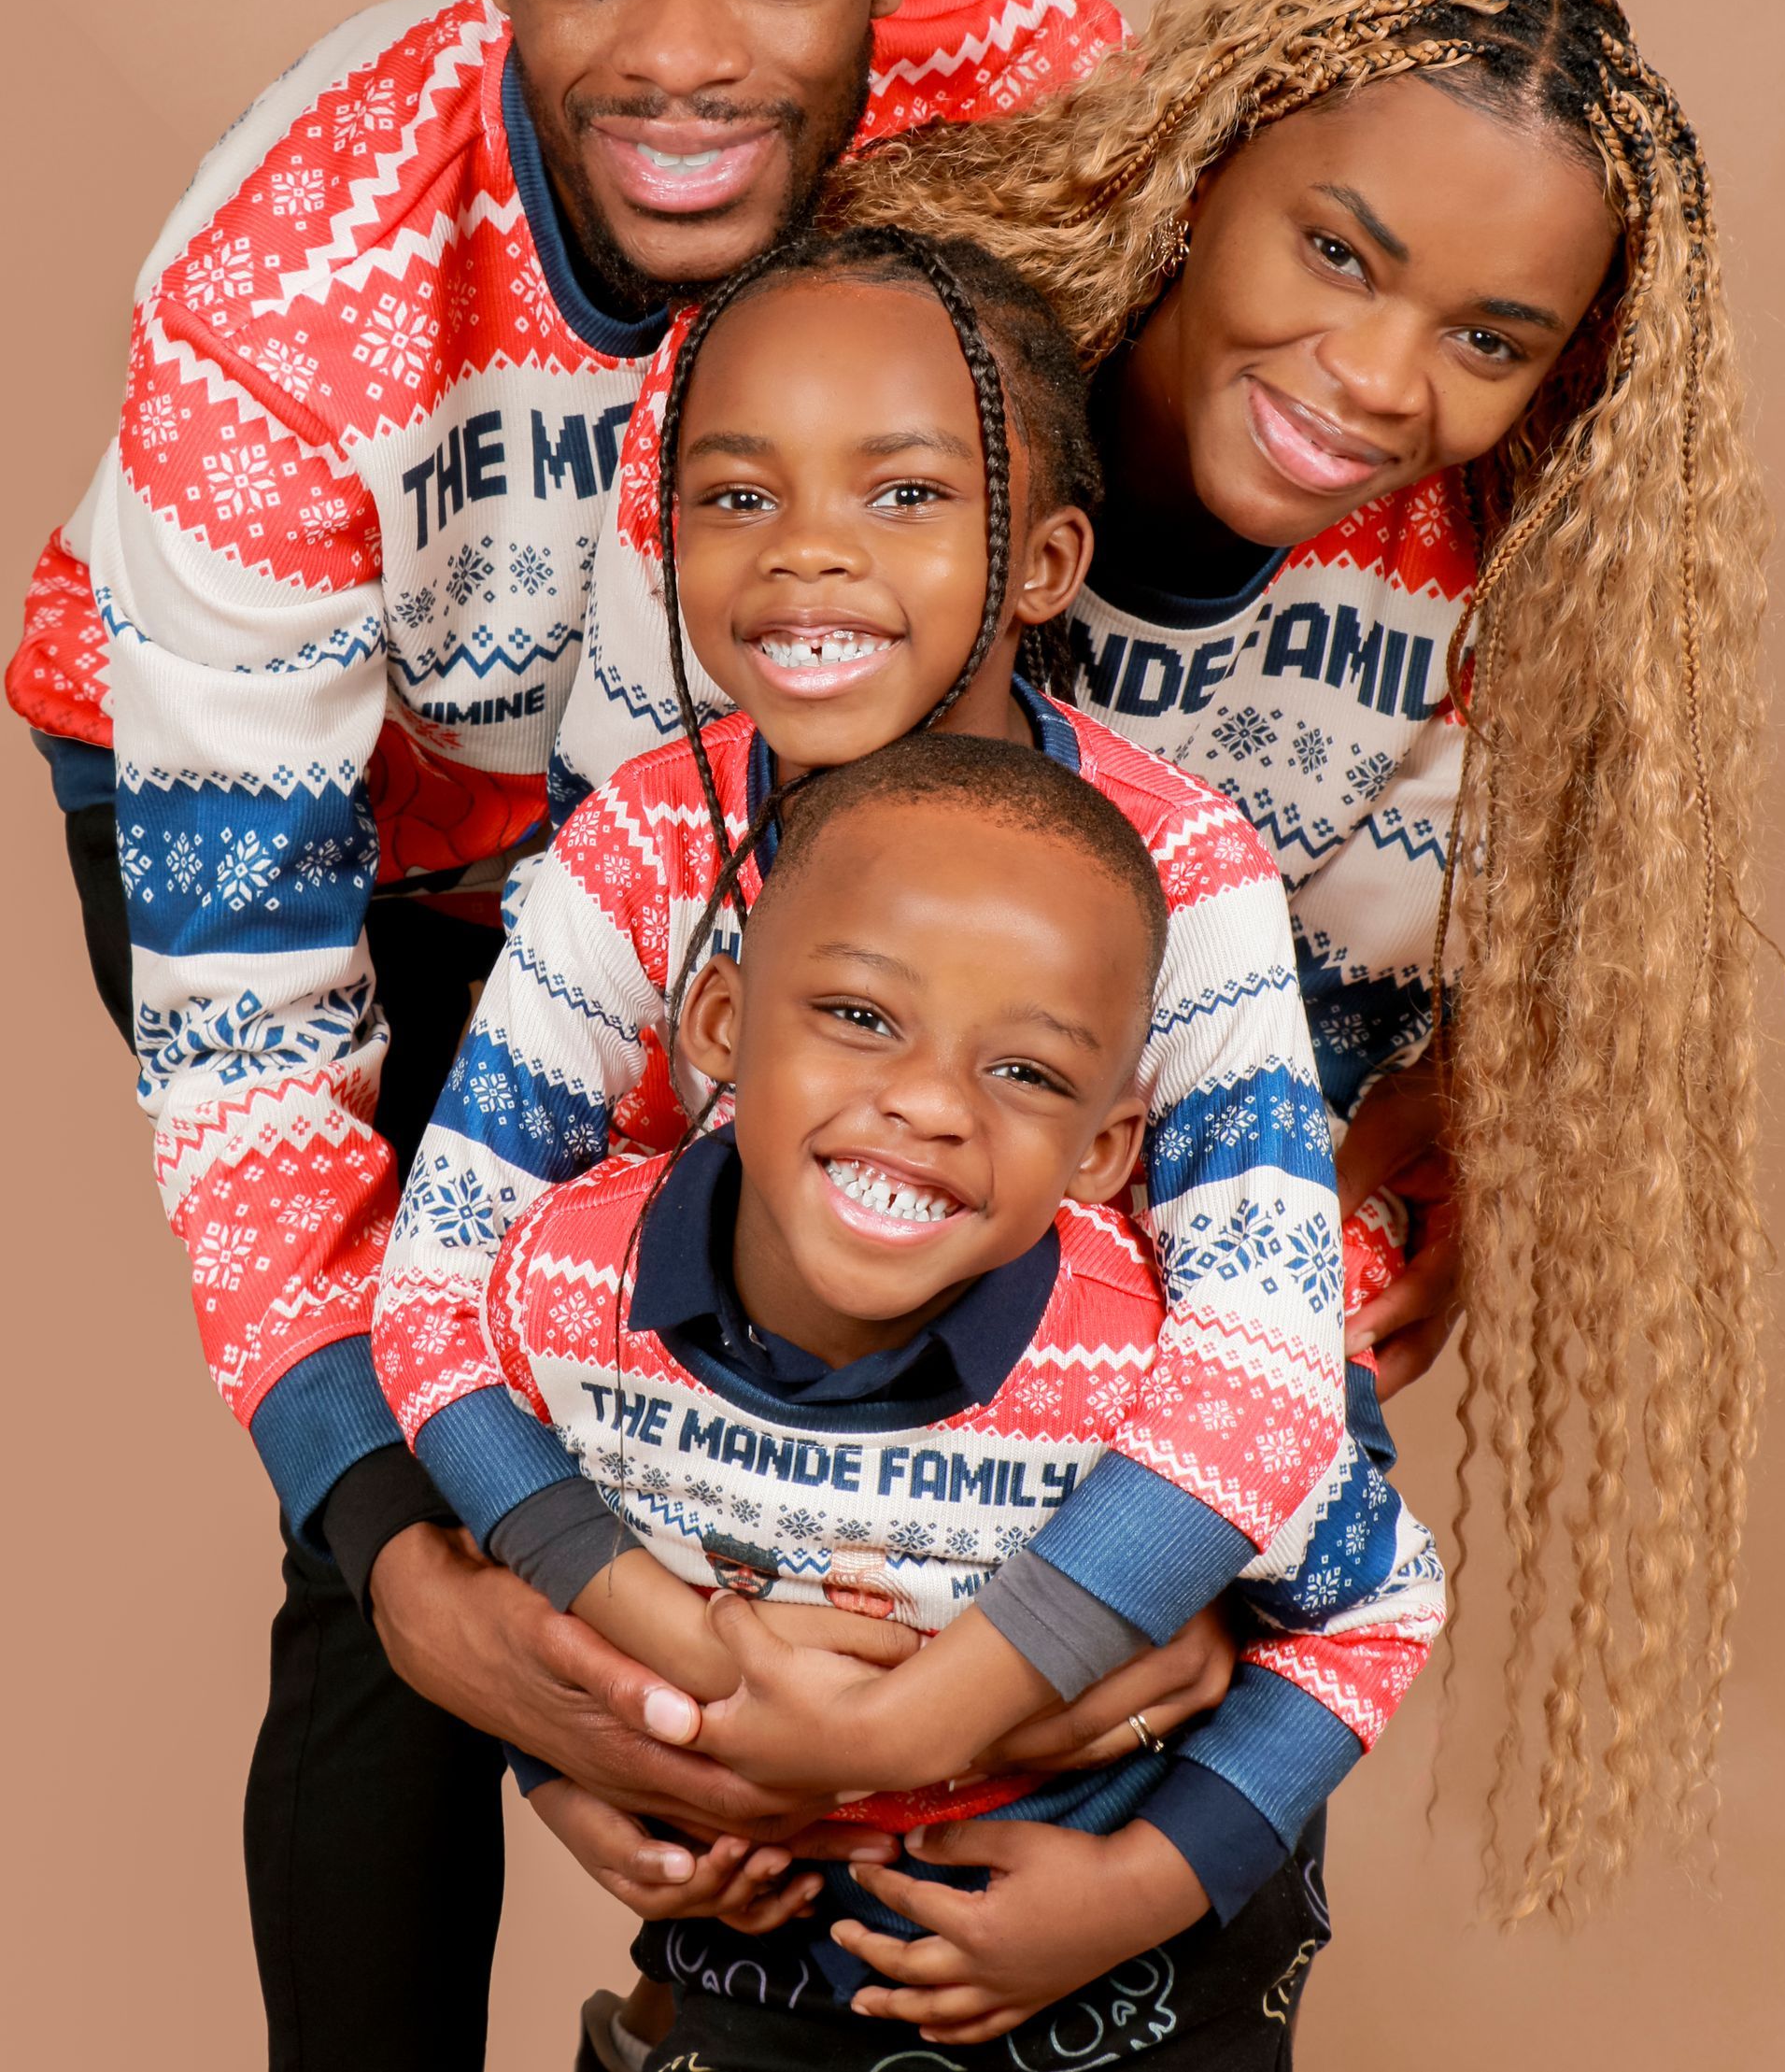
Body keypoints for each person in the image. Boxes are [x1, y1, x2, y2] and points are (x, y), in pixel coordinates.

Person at [6, 0, 1124, 2068]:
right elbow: (250, 1053)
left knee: (830, 1354)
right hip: (332, 844)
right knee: (394, 1518)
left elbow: (1279, 512)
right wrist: (422, 1554)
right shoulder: (280, 288)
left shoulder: (1053, 111)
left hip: (746, 801)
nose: (691, 60)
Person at [376, 226, 1439, 2061]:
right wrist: (632, 1702)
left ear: (1039, 560)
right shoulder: (642, 846)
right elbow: (461, 1293)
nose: (810, 549)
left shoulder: (1175, 865)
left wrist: (927, 1732)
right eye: (738, 491)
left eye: (904, 490)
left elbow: (1264, 1390)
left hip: (1087, 1744)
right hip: (752, 1696)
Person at [838, 0, 1768, 1911]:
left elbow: (1417, 1010)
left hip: (1210, 1305)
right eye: (1337, 251)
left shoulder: (1495, 569)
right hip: (882, 1250)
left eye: (1488, 339)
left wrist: (1467, 1103)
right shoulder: (940, 409)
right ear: (1207, 157)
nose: (1370, 374)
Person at [475, 735, 1441, 2065]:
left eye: (1026, 1071)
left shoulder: (1160, 1377)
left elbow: (1376, 1609)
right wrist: (574, 1770)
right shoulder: (569, 1296)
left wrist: (1142, 1885)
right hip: (760, 1990)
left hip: (1142, 2003)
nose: (928, 1102)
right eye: (862, 1015)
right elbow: (511, 1564)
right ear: (718, 1027)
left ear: (1103, 1153)